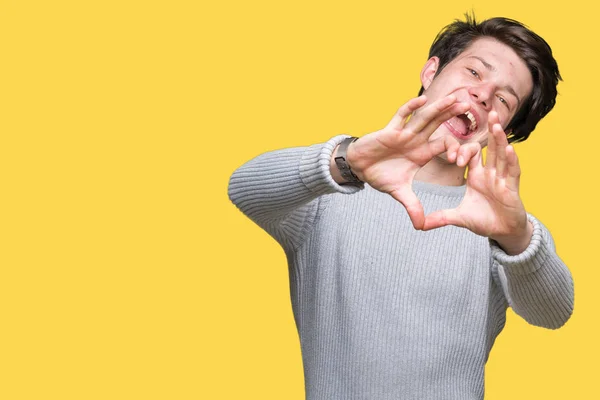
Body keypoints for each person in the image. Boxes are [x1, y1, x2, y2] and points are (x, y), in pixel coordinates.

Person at [228, 13, 574, 400]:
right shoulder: (330, 194)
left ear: (505, 130)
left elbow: (554, 312)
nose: (482, 95)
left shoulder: (496, 223)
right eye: (475, 73)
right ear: (431, 72)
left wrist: (517, 236)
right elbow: (244, 189)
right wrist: (350, 160)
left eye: (504, 99)